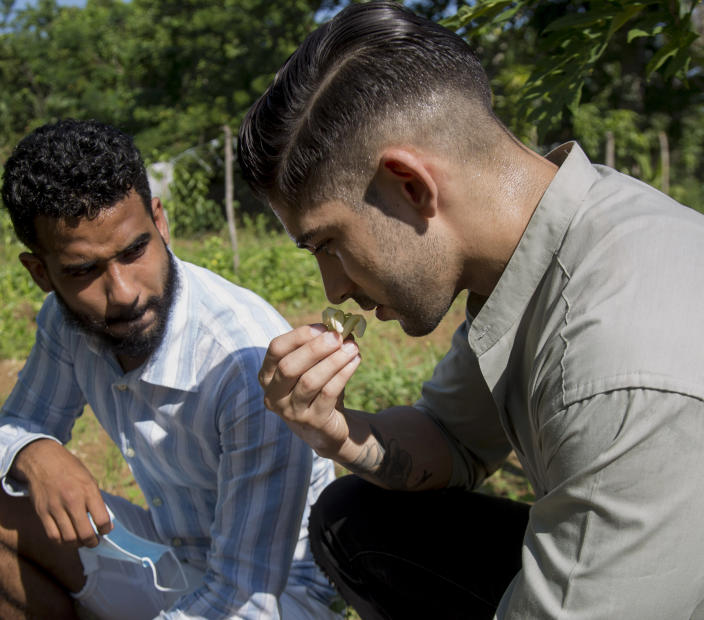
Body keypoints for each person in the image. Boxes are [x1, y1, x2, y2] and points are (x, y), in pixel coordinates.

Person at [237, 2, 704, 619]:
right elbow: (451, 439)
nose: (335, 288)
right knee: (353, 521)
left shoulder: (616, 369)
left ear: (412, 186)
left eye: (327, 243)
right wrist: (332, 431)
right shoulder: (546, 246)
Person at [0, 119, 342, 619]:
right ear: (40, 273)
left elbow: (241, 594)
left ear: (159, 223)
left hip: (273, 595)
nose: (123, 292)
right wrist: (35, 451)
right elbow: (17, 426)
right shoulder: (66, 321)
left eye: (134, 251)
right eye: (82, 271)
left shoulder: (244, 361)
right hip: (173, 553)